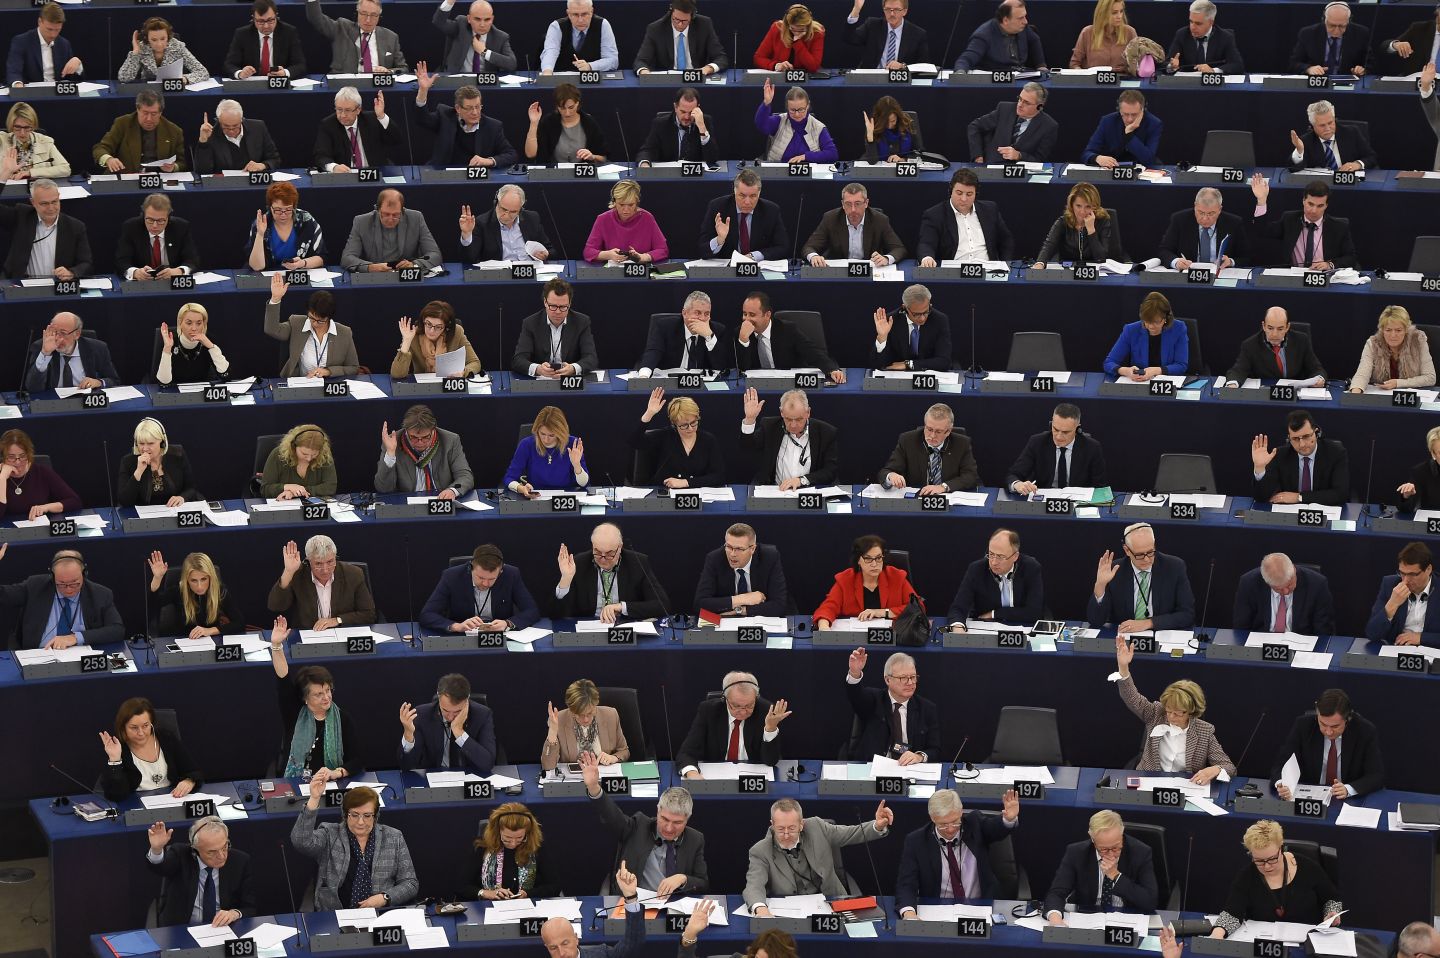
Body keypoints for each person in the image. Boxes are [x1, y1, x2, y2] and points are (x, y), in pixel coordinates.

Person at [582, 751, 708, 894]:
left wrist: (683, 878)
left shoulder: (695, 839)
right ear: (657, 811)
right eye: (665, 819)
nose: (669, 827)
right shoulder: (638, 826)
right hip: (632, 901)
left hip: (672, 907)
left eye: (677, 823)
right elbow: (611, 816)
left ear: (687, 819)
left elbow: (702, 883)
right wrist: (593, 787)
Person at [1114, 636, 1235, 781]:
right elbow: (1132, 698)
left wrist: (1215, 769)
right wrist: (1123, 668)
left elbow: (1229, 767)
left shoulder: (1205, 732)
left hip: (1185, 787)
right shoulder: (1156, 713)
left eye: (1178, 713)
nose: (1171, 717)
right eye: (1169, 710)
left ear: (1191, 711)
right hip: (1149, 780)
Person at [744, 797, 893, 913]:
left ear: (801, 824)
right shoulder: (760, 851)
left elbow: (851, 833)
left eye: (792, 828)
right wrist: (760, 909)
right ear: (772, 824)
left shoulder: (817, 827)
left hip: (832, 903)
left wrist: (877, 825)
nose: (787, 834)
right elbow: (754, 886)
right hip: (790, 911)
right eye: (780, 829)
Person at [292, 773, 417, 909]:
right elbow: (301, 841)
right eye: (354, 815)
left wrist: (385, 897)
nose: (361, 822)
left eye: (367, 816)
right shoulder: (330, 834)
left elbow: (410, 883)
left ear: (376, 816)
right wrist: (314, 799)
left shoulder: (394, 837)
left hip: (380, 914)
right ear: (345, 815)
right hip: (335, 913)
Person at [895, 788, 1019, 916]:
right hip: (937, 909)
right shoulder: (917, 841)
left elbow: (995, 828)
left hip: (980, 906)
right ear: (932, 818)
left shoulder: (975, 824)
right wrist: (909, 913)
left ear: (960, 812)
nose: (950, 829)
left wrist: (1008, 819)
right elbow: (906, 884)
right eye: (943, 824)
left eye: (955, 822)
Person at [1209, 820, 1342, 938]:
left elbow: (1331, 898)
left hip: (1308, 938)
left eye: (1272, 859)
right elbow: (1232, 912)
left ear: (1281, 848)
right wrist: (1217, 933)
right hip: (1265, 943)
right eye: (1259, 861)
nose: (1267, 866)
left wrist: (1331, 914)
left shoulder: (1307, 866)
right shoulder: (1246, 876)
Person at [270, 624, 360, 776]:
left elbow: (357, 760)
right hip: (296, 783)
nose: (326, 697)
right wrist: (276, 646)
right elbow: (283, 679)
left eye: (328, 690)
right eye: (318, 694)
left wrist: (337, 773)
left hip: (330, 782)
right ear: (305, 698)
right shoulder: (294, 712)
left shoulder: (343, 718)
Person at [1044, 811, 1158, 924]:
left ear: (1122, 835)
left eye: (1115, 848)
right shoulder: (1076, 853)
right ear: (1093, 841)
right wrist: (1055, 919)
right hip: (1088, 916)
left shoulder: (1140, 852)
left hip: (1127, 918)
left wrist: (1115, 875)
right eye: (1103, 849)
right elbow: (1056, 893)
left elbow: (1150, 901)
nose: (1110, 854)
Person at [1270, 688, 1384, 798]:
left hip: (1347, 799)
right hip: (1309, 796)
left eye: (1335, 726)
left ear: (1348, 718)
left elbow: (1376, 775)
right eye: (1323, 724)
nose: (1328, 732)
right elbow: (1281, 764)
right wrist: (1281, 783)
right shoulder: (1303, 726)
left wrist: (1348, 789)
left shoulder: (1365, 731)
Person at [0, 546, 122, 648]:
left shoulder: (100, 594)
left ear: (84, 574)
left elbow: (117, 630)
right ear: (52, 577)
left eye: (75, 583)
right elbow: (3, 595)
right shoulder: (35, 586)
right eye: (62, 584)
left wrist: (75, 637)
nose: (68, 589)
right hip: (39, 655)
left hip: (82, 658)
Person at [146, 817, 255, 928]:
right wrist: (157, 849)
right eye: (211, 852)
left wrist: (234, 913)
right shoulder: (180, 855)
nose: (221, 856)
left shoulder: (240, 861)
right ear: (195, 850)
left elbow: (250, 907)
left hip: (222, 929)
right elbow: (161, 867)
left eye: (224, 847)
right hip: (181, 929)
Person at [552, 522, 671, 622]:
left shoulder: (637, 563)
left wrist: (621, 607)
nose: (603, 558)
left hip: (624, 628)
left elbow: (662, 605)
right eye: (597, 552)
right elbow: (555, 614)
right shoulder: (579, 563)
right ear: (593, 546)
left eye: (609, 554)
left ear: (620, 547)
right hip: (589, 627)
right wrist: (566, 580)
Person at [1088, 522, 1196, 633]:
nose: (1147, 560)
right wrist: (1100, 585)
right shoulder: (1114, 570)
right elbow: (1095, 621)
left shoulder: (1174, 567)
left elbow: (1187, 615)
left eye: (1150, 552)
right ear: (1127, 550)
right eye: (1139, 555)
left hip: (1161, 636)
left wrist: (1149, 623)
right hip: (1124, 639)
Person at [676, 671, 788, 776]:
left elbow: (771, 761)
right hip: (716, 776)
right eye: (737, 706)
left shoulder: (766, 711)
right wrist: (692, 773)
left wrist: (770, 728)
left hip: (752, 778)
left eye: (749, 706)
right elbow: (687, 753)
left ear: (756, 697)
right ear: (725, 698)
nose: (743, 712)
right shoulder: (709, 711)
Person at [843, 647, 937, 763]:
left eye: (913, 677)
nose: (910, 683)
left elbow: (935, 749)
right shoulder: (873, 700)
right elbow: (855, 695)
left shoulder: (927, 708)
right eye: (903, 678)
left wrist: (919, 756)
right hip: (874, 768)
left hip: (909, 770)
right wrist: (855, 673)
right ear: (888, 680)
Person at [421, 543, 538, 635]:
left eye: (492, 579)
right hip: (462, 638)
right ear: (471, 568)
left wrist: (507, 624)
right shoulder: (451, 577)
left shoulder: (511, 575)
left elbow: (532, 610)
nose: (486, 583)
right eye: (481, 577)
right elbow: (427, 614)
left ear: (501, 571)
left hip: (499, 638)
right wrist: (456, 626)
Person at [414, 67, 516, 170]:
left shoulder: (492, 126)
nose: (475, 112)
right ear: (458, 108)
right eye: (469, 108)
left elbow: (511, 154)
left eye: (477, 107)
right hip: (444, 173)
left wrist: (488, 161)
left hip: (476, 179)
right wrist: (423, 90)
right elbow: (422, 119)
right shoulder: (445, 117)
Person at [266, 535, 377, 631]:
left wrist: (338, 620)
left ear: (335, 557)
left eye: (330, 562)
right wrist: (288, 572)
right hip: (308, 634)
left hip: (343, 633)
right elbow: (276, 606)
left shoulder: (353, 574)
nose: (325, 569)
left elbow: (369, 614)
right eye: (318, 563)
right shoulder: (298, 574)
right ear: (308, 561)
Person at [100, 697, 202, 800]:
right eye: (134, 728)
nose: (141, 733)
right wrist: (115, 760)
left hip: (172, 800)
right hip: (136, 806)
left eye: (145, 726)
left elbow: (193, 772)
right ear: (123, 727)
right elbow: (115, 796)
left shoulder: (167, 738)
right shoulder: (117, 748)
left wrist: (189, 781)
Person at [1250, 173, 1358, 270]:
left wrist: (1329, 265)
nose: (1314, 210)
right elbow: (1262, 230)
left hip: (1324, 277)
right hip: (1294, 276)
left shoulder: (1339, 226)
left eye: (1320, 206)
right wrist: (1261, 201)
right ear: (1303, 201)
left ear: (1326, 205)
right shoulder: (1289, 219)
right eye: (1310, 204)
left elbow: (1351, 258)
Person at [542, 859, 647, 956]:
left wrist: (631, 897)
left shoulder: (601, 955)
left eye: (565, 943)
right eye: (553, 948)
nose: (561, 954)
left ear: (576, 938)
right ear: (546, 947)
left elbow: (632, 944)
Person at [265, 273, 360, 378]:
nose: (314, 323)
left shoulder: (344, 332)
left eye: (320, 321)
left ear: (329, 317)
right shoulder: (297, 323)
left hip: (329, 386)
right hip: (301, 383)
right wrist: (275, 299)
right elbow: (271, 330)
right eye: (311, 318)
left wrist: (328, 371)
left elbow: (353, 367)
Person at [741, 387, 839, 489]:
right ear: (781, 412)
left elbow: (830, 471)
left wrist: (801, 480)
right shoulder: (770, 427)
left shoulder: (826, 432)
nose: (793, 425)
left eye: (799, 419)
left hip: (808, 491)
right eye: (788, 419)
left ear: (808, 412)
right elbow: (747, 448)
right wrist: (750, 420)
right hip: (775, 490)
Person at [818, 541, 924, 632]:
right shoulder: (846, 579)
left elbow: (917, 607)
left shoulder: (896, 577)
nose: (874, 564)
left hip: (892, 639)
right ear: (858, 561)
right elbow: (828, 607)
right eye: (868, 559)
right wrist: (824, 627)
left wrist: (881, 612)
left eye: (878, 558)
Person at [947, 528, 1045, 628]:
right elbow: (958, 608)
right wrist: (958, 627)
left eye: (1000, 557)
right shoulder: (977, 569)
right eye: (991, 554)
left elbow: (1034, 611)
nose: (993, 562)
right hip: (986, 628)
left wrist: (995, 614)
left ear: (1015, 556)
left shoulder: (1031, 568)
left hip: (1022, 629)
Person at [459, 803, 559, 901]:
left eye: (520, 838)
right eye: (507, 838)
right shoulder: (482, 846)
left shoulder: (536, 847)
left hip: (527, 908)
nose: (513, 844)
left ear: (528, 832)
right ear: (497, 831)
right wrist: (486, 893)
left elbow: (554, 887)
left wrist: (528, 894)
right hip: (487, 908)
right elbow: (461, 887)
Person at [398, 672, 495, 772]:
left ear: (467, 700)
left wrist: (459, 732)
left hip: (469, 780)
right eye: (446, 710)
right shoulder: (422, 715)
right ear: (438, 696)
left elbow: (487, 763)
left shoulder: (482, 715)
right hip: (433, 780)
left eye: (457, 711)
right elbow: (406, 766)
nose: (450, 717)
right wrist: (408, 735)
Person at [916, 169, 1014, 267]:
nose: (964, 199)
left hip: (988, 269)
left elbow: (1006, 239)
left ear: (976, 194)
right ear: (950, 191)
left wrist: (1005, 264)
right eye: (959, 193)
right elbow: (926, 243)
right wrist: (927, 257)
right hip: (954, 271)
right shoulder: (935, 214)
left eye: (969, 194)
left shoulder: (990, 209)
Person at [1005, 403, 1109, 494]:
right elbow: (1013, 474)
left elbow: (1100, 487)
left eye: (1065, 432)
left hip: (1078, 503)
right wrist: (1017, 485)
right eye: (1055, 429)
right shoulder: (1037, 442)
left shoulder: (1092, 448)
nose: (1058, 436)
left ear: (1077, 429)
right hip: (1045, 501)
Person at [1252, 409, 1350, 507]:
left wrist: (1299, 497)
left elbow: (1340, 494)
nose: (1302, 444)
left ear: (1316, 433)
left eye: (1306, 436)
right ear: (1289, 438)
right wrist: (1260, 469)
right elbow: (1261, 497)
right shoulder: (1280, 455)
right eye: (1295, 439)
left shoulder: (1335, 452)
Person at [375, 404, 475, 498]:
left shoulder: (450, 440)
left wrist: (452, 491)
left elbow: (465, 476)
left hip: (440, 502)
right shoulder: (392, 442)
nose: (420, 442)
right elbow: (384, 489)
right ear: (406, 430)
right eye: (413, 437)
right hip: (408, 504)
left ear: (433, 430)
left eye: (425, 437)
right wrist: (390, 454)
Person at [735, 291, 841, 379]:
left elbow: (813, 353)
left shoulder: (787, 330)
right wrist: (744, 341)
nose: (746, 319)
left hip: (790, 386)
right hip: (757, 388)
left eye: (752, 315)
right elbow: (742, 369)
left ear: (767, 315)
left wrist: (831, 369)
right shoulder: (740, 333)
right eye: (745, 314)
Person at [0, 177, 89, 280]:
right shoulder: (21, 216)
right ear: (33, 202)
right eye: (44, 203)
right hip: (21, 284)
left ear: (59, 197)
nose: (51, 208)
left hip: (58, 286)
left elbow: (86, 263)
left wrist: (72, 272)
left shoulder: (75, 227)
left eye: (54, 202)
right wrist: (2, 179)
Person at [631, 390, 725, 488]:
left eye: (694, 422)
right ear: (674, 424)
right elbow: (634, 441)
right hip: (667, 495)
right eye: (684, 425)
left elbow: (719, 476)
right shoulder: (664, 437)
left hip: (697, 497)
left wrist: (686, 482)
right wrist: (649, 414)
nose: (690, 428)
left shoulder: (708, 440)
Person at [510, 277, 599, 379]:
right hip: (542, 381)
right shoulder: (530, 323)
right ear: (545, 302)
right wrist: (538, 369)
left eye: (563, 307)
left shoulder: (581, 322)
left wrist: (573, 369)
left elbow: (591, 358)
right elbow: (518, 360)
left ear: (569, 304)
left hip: (569, 382)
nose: (557, 312)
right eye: (552, 306)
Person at [695, 523, 790, 618]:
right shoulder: (715, 559)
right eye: (728, 547)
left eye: (739, 549)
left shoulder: (769, 557)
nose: (732, 554)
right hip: (727, 623)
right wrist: (742, 599)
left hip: (759, 620)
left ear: (752, 549)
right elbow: (699, 604)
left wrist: (740, 611)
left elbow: (779, 605)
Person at [880, 403, 978, 493]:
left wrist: (943, 487)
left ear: (948, 432)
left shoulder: (961, 444)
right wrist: (891, 476)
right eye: (929, 429)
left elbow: (971, 476)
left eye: (938, 431)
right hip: (917, 498)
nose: (932, 435)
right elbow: (885, 471)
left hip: (947, 499)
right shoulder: (907, 441)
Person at [802, 182, 905, 267]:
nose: (853, 210)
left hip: (868, 272)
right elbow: (809, 247)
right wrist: (814, 256)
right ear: (842, 204)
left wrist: (886, 258)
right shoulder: (831, 218)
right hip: (840, 272)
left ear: (866, 203)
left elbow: (899, 249)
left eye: (857, 203)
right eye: (848, 204)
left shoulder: (879, 220)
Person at [1233, 552, 1336, 635]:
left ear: (1294, 570)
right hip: (1261, 647)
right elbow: (1241, 628)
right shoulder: (1249, 583)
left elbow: (1324, 631)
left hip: (1302, 648)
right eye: (1279, 589)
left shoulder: (1317, 584)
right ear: (1267, 583)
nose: (1286, 592)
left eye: (1289, 585)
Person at [340, 188, 441, 273]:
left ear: (402, 210)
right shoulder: (361, 222)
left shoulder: (416, 218)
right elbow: (347, 258)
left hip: (405, 276)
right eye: (386, 214)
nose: (390, 219)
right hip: (376, 276)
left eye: (396, 215)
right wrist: (370, 267)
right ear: (377, 209)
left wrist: (414, 264)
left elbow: (434, 254)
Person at [699, 169, 789, 262]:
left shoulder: (771, 210)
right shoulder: (717, 208)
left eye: (753, 196)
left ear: (759, 194)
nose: (747, 202)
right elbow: (702, 250)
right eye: (742, 195)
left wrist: (753, 256)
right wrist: (719, 240)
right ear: (734, 192)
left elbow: (783, 247)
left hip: (756, 269)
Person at [148, 551, 244, 638]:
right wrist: (157, 578)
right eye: (193, 580)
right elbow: (152, 605)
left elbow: (239, 623)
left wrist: (210, 630)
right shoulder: (179, 591)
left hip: (212, 642)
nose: (199, 587)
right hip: (183, 642)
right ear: (187, 580)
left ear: (211, 577)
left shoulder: (219, 591)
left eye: (204, 579)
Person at [636, 291, 732, 375]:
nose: (702, 318)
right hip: (669, 384)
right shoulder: (665, 327)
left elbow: (722, 367)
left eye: (707, 314)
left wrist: (709, 337)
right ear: (684, 313)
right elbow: (653, 353)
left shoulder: (717, 330)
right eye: (697, 313)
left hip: (701, 387)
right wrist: (644, 376)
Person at [1222, 307, 1323, 387]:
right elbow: (1238, 370)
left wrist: (1319, 379)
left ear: (1287, 327)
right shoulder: (1250, 345)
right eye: (1270, 328)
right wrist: (1232, 384)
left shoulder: (1301, 340)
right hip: (1265, 395)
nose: (1274, 334)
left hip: (1295, 393)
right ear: (1264, 326)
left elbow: (1316, 369)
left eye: (1280, 329)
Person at [1365, 541, 1440, 647]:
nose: (1405, 580)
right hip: (1397, 650)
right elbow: (1372, 633)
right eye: (1402, 573)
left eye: (1412, 574)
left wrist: (1421, 637)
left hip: (1431, 652)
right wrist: (1392, 604)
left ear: (1428, 569)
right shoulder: (1390, 585)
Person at [542, 678, 629, 768]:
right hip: (573, 778)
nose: (586, 719)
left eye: (590, 713)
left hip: (603, 777)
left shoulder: (610, 715)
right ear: (571, 710)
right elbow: (548, 766)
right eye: (580, 715)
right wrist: (552, 732)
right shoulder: (559, 719)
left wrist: (613, 758)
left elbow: (624, 751)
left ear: (596, 704)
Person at [24, 312, 120, 392]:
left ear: (77, 334)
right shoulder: (41, 347)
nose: (57, 338)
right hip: (53, 403)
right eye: (55, 332)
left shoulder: (97, 348)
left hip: (86, 403)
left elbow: (114, 380)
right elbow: (32, 388)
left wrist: (99, 382)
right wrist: (45, 353)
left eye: (63, 333)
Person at [93, 90, 185, 174]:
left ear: (160, 112)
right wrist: (108, 159)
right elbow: (100, 149)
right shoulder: (123, 123)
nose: (149, 119)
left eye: (154, 114)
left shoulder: (174, 131)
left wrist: (173, 167)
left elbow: (182, 163)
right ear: (137, 110)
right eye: (145, 113)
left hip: (158, 181)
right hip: (126, 177)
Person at [503, 405, 589, 494]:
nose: (546, 440)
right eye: (542, 434)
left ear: (561, 432)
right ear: (537, 430)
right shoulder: (527, 444)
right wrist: (521, 488)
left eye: (552, 435)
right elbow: (509, 478)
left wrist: (577, 465)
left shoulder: (573, 445)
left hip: (566, 497)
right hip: (536, 497)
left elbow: (584, 484)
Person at [1348, 305, 1435, 392]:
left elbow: (1430, 377)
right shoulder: (1373, 344)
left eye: (1398, 330)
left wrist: (1398, 383)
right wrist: (1355, 392)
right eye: (1388, 330)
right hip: (1381, 398)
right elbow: (1362, 374)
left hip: (1412, 399)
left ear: (1406, 330)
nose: (1393, 335)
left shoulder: (1418, 341)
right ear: (1382, 330)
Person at [1159, 187, 1249, 271]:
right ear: (1195, 206)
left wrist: (1230, 261)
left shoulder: (1234, 223)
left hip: (1220, 274)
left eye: (1211, 213)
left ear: (1220, 209)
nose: (1205, 218)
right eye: (1201, 212)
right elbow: (1164, 250)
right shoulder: (1180, 220)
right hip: (1189, 274)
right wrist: (1176, 262)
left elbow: (1246, 257)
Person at [1104, 291, 1188, 380]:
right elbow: (1109, 363)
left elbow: (1181, 365)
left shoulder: (1178, 328)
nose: (1151, 326)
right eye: (1147, 321)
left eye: (1156, 322)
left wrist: (1156, 370)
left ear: (1166, 318)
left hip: (1167, 385)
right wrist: (1126, 371)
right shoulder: (1131, 330)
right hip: (1139, 383)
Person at [1036, 182, 1126, 266]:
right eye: (1078, 206)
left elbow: (1101, 259)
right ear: (1071, 205)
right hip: (1070, 270)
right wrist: (1040, 264)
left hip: (1095, 272)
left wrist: (1091, 230)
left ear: (1095, 207)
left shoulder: (1103, 221)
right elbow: (1049, 245)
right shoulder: (1063, 222)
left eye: (1088, 206)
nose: (1082, 212)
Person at [305, 0, 407, 73]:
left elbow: (403, 68)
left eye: (373, 15)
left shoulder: (391, 37)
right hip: (346, 88)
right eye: (364, 14)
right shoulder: (342, 28)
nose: (368, 20)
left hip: (378, 87)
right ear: (357, 13)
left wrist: (388, 72)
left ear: (379, 17)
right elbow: (316, 19)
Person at [116, 193, 199, 282]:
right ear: (143, 215)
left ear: (168, 218)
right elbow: (121, 261)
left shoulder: (180, 227)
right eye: (150, 220)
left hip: (171, 283)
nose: (155, 226)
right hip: (143, 284)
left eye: (160, 221)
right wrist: (135, 272)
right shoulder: (131, 227)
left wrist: (179, 271)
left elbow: (192, 260)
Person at [0, 429, 81, 521]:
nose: (18, 462)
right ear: (3, 457)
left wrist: (46, 507)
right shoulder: (1, 476)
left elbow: (74, 501)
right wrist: (2, 479)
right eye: (11, 457)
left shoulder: (41, 472)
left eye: (22, 456)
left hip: (38, 530)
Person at [458, 184, 553, 262]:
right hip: (500, 276)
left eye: (513, 212)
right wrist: (467, 234)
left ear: (521, 208)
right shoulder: (482, 223)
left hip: (530, 272)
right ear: (496, 202)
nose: (507, 215)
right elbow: (470, 259)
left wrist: (545, 254)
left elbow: (551, 250)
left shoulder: (532, 218)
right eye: (503, 209)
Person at [119, 418, 200, 508]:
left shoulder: (177, 454)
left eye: (150, 443)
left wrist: (182, 497)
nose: (145, 448)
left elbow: (191, 488)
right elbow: (124, 501)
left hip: (175, 511)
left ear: (162, 442)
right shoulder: (128, 462)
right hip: (144, 517)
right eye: (141, 443)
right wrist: (138, 472)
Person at [314, 86, 399, 172]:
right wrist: (333, 167)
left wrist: (381, 116)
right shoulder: (328, 125)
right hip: (346, 177)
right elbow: (321, 155)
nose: (343, 115)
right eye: (339, 109)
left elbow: (395, 139)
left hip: (375, 172)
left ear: (358, 109)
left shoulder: (372, 119)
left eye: (347, 110)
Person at [966, 83, 1056, 164]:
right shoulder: (1005, 109)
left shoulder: (1048, 126)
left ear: (1039, 106)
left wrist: (1019, 155)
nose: (1020, 105)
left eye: (1026, 103)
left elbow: (1040, 160)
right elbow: (975, 126)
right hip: (992, 165)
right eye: (1020, 99)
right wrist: (978, 157)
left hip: (1021, 174)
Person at [583, 180, 668, 265]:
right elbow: (588, 252)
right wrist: (608, 255)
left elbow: (663, 250)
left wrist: (642, 257)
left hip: (641, 271)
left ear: (637, 203)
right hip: (613, 272)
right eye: (621, 205)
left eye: (631, 205)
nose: (626, 210)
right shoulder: (603, 219)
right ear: (614, 202)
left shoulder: (647, 218)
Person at [247, 182, 327, 272]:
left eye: (288, 209)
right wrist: (260, 234)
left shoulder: (306, 220)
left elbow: (321, 258)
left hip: (298, 274)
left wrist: (302, 263)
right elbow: (256, 267)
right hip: (269, 275)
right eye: (278, 210)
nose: (283, 215)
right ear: (270, 207)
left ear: (294, 207)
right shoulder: (261, 223)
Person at [391, 300, 482, 379]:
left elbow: (474, 362)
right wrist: (406, 341)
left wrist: (463, 372)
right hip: (422, 388)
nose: (431, 330)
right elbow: (397, 375)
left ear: (446, 327)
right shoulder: (413, 335)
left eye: (438, 327)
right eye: (428, 324)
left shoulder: (456, 333)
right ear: (423, 321)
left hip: (449, 385)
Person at [872, 284, 954, 370]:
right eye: (916, 314)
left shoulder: (939, 320)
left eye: (926, 312)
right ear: (905, 308)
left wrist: (909, 364)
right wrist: (882, 337)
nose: (922, 318)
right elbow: (878, 364)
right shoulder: (890, 321)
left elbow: (944, 361)